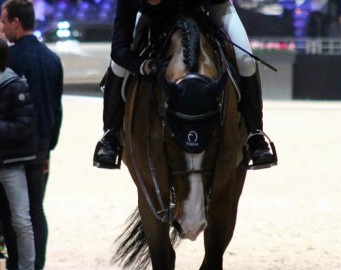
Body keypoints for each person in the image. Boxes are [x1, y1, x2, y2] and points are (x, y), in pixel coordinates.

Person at [93, 0, 276, 170]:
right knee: (117, 66)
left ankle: (255, 135)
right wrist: (143, 65)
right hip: (154, 16)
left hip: (211, 6)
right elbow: (119, 50)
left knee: (245, 61)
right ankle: (111, 135)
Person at [0, 0, 63, 269]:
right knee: (36, 211)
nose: (2, 27)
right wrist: (49, 147)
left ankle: (17, 263)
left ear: (16, 22)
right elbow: (56, 110)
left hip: (13, 148)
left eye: (3, 22)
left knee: (11, 213)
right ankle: (36, 266)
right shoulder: (52, 59)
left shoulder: (10, 59)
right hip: (41, 148)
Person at [0, 37, 36, 270]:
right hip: (10, 161)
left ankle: (27, 267)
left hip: (11, 165)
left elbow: (25, 126)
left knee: (22, 221)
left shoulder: (16, 86)